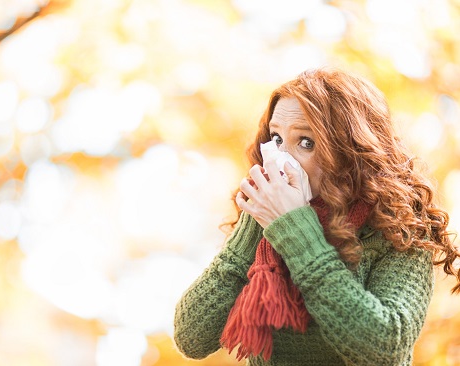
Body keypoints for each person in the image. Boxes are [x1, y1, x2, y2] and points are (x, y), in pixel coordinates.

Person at [173, 68, 459, 365]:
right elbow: (191, 337)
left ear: (350, 150)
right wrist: (255, 221)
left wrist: (296, 230)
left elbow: (386, 347)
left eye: (306, 142)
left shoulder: (399, 227)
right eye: (277, 139)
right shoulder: (267, 228)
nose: (280, 160)